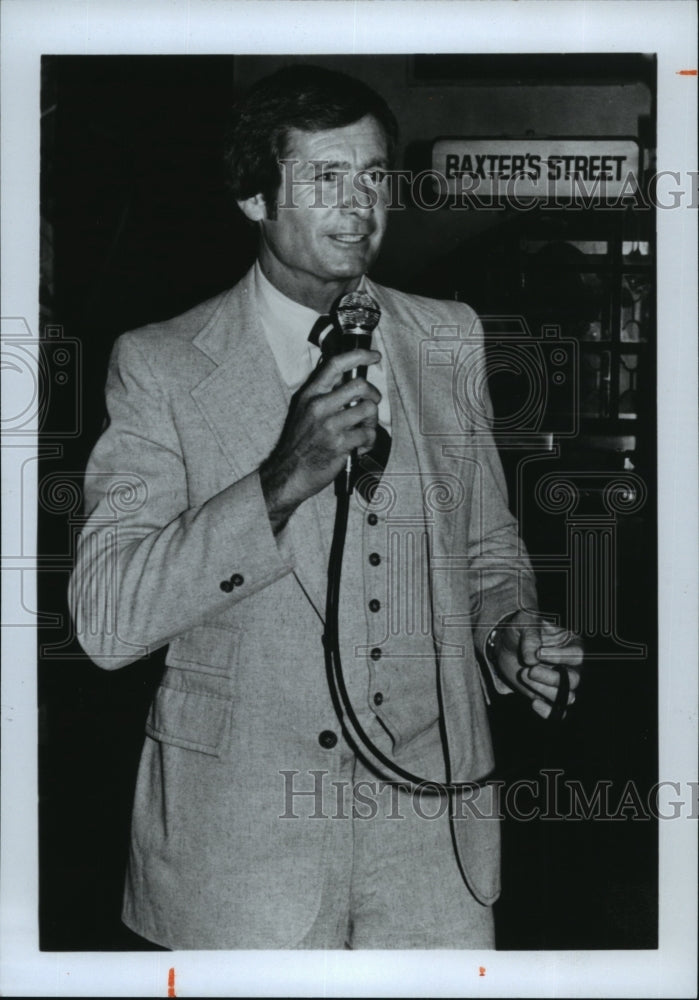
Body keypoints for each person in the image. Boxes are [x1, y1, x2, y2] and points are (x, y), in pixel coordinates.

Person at [68, 64, 583, 950]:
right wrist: (280, 479)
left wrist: (509, 631)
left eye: (375, 176)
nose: (360, 206)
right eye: (325, 178)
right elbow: (107, 622)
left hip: (433, 852)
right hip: (240, 857)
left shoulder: (447, 336)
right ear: (252, 198)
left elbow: (489, 549)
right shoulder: (159, 365)